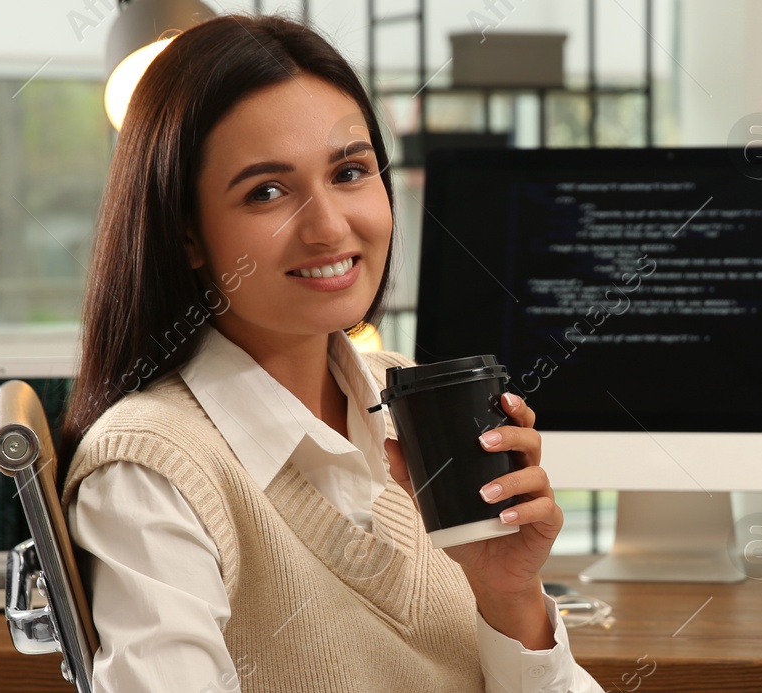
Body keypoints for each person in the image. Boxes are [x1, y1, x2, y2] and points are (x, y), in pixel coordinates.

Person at [57, 13, 606, 692]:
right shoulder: (150, 471)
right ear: (187, 235)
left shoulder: (408, 395)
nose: (328, 226)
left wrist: (509, 596)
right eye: (267, 191)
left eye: (349, 171)